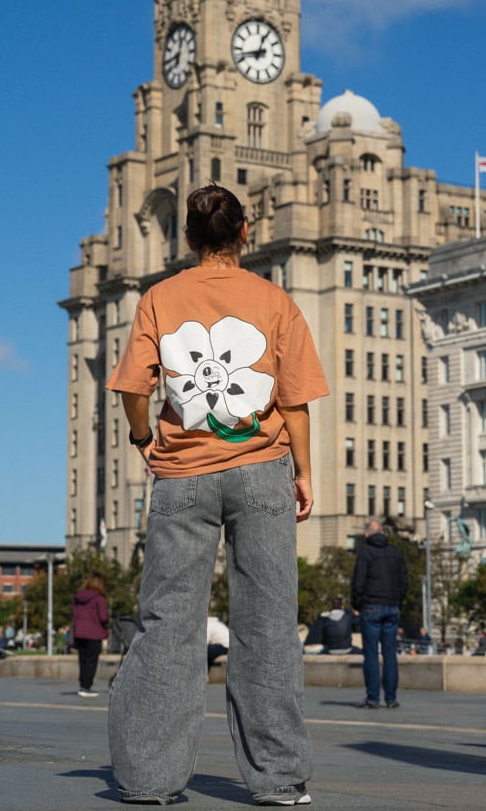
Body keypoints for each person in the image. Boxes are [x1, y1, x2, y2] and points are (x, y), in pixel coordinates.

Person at [106, 184, 329, 807]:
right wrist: (304, 472)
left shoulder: (159, 298)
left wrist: (144, 438)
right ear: (245, 233)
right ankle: (278, 778)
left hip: (182, 476)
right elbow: (295, 402)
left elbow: (133, 387)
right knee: (268, 623)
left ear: (188, 238)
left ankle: (150, 779)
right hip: (263, 471)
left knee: (168, 623)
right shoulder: (275, 300)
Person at [351, 519, 408, 709]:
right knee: (390, 654)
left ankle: (373, 698)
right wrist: (398, 602)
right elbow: (404, 580)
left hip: (371, 607)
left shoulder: (365, 552)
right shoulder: (395, 552)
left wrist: (357, 604)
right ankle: (391, 699)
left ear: (367, 534)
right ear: (383, 533)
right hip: (392, 607)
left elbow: (358, 581)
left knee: (371, 654)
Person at [72, 571, 110, 697]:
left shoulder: (78, 597)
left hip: (79, 632)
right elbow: (103, 617)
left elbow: (73, 612)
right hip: (94, 633)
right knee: (91, 661)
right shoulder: (99, 598)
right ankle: (87, 687)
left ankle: (82, 685)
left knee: (83, 660)